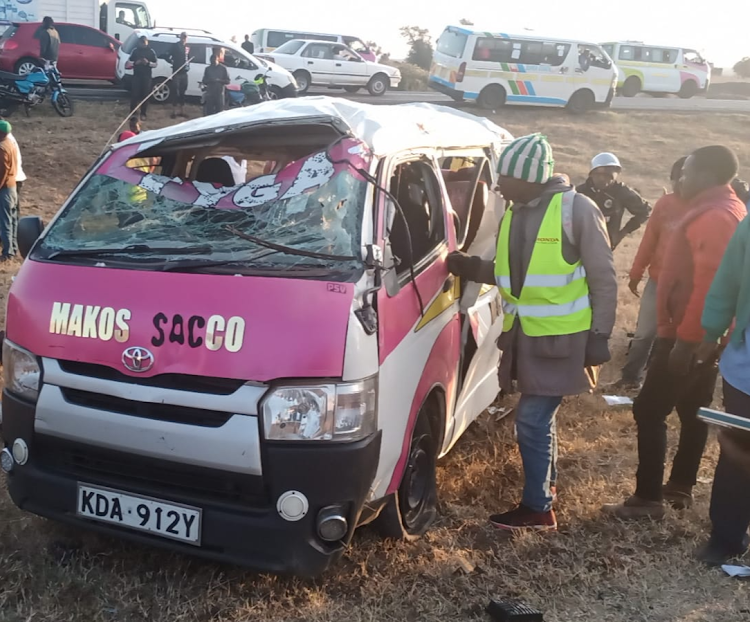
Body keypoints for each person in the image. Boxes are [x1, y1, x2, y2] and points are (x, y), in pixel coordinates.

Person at [447, 134, 617, 531]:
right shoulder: (516, 212)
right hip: (527, 337)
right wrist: (468, 266)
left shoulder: (576, 211)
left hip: (564, 340)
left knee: (532, 418)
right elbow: (510, 273)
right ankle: (546, 491)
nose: (498, 185)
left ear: (529, 178)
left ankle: (538, 508)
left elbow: (604, 279)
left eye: (504, 176)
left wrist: (600, 337)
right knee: (541, 417)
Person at [604, 145, 745, 519]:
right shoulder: (720, 209)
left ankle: (647, 499)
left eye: (688, 171)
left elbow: (710, 285)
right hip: (696, 334)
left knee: (649, 408)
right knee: (693, 409)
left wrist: (687, 342)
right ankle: (680, 485)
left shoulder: (715, 216)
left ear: (709, 175)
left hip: (688, 335)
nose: (681, 178)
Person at [694, 214, 750, 565]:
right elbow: (728, 280)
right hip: (746, 368)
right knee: (739, 450)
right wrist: (711, 330)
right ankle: (727, 536)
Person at [612, 157, 688, 391]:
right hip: (658, 280)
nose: (681, 184)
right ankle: (630, 378)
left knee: (677, 337)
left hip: (689, 286)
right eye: (677, 180)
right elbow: (649, 241)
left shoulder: (709, 210)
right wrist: (636, 272)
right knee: (644, 334)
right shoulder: (665, 204)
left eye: (685, 179)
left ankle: (668, 385)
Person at [577, 153, 652, 249]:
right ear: (591, 174)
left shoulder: (621, 192)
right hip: (578, 246)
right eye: (598, 174)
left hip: (605, 247)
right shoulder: (579, 192)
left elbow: (645, 211)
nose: (602, 179)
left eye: (607, 175)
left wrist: (623, 233)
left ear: (616, 174)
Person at [127, 36, 157, 120]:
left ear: (147, 42)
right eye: (141, 42)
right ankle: (133, 112)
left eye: (144, 42)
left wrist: (148, 63)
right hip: (137, 76)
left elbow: (155, 64)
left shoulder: (151, 51)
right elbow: (128, 62)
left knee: (145, 95)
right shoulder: (135, 51)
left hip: (147, 77)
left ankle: (143, 113)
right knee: (134, 95)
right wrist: (136, 62)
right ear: (139, 43)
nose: (143, 44)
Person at [0, 120, 18, 262]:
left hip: (4, 188)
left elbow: (3, 170)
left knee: (4, 221)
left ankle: (7, 252)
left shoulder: (1, 147)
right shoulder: (10, 143)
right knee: (12, 220)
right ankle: (13, 248)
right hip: (12, 187)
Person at [168, 32, 190, 119]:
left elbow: (188, 58)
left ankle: (182, 110)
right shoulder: (175, 46)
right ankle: (174, 111)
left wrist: (188, 66)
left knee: (182, 91)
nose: (184, 38)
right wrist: (173, 63)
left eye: (185, 37)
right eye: (182, 37)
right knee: (175, 92)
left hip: (184, 73)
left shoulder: (187, 47)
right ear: (180, 37)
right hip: (176, 72)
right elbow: (167, 55)